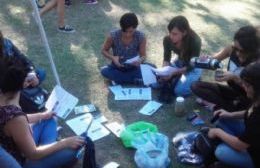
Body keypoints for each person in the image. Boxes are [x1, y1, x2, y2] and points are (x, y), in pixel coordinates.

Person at [0, 57, 97, 168]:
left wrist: (42, 115)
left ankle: (49, 151)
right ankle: (50, 154)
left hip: (15, 146)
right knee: (76, 147)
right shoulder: (16, 118)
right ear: (24, 84)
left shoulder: (4, 101)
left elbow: (15, 121)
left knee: (49, 119)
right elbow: (33, 154)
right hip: (21, 161)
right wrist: (64, 143)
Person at [191, 26, 260, 112]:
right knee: (196, 86)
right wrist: (206, 59)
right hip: (232, 91)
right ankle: (225, 106)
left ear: (250, 50)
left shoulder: (257, 63)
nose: (237, 53)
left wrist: (235, 78)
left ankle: (223, 107)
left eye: (241, 50)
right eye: (235, 48)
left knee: (247, 108)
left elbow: (255, 93)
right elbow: (214, 59)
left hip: (247, 98)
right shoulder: (231, 49)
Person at [208, 62, 260, 168]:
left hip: (255, 156)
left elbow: (240, 145)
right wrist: (229, 114)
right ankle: (230, 141)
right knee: (223, 118)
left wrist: (218, 132)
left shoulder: (257, 118)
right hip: (251, 139)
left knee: (220, 151)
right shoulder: (257, 99)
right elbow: (249, 112)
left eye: (247, 85)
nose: (244, 87)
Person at [156, 15, 202, 102]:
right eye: (170, 32)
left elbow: (191, 66)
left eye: (175, 34)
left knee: (179, 91)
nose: (171, 36)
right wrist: (164, 71)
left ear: (184, 32)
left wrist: (173, 73)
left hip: (193, 66)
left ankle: (195, 80)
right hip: (179, 62)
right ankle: (177, 79)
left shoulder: (195, 41)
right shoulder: (167, 39)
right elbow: (166, 58)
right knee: (156, 83)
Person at [101, 12, 146, 85]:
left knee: (152, 68)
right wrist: (113, 58)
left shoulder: (141, 36)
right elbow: (103, 50)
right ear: (121, 27)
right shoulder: (113, 36)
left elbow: (143, 56)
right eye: (124, 31)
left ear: (135, 28)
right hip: (117, 66)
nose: (128, 34)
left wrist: (139, 61)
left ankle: (118, 79)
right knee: (104, 71)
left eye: (131, 31)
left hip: (134, 67)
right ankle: (134, 80)